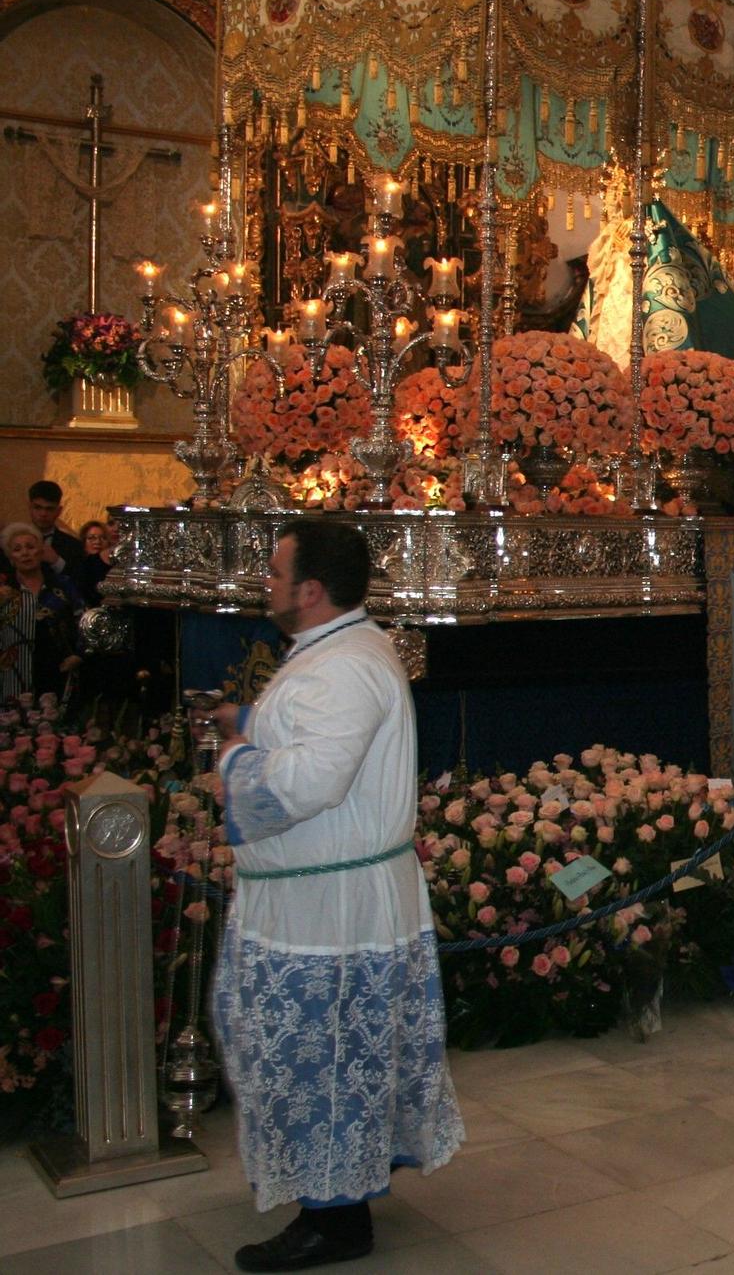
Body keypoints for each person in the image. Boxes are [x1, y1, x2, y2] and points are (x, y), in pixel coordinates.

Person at [200, 519, 462, 1271]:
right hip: (321, 896)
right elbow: (317, 735)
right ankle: (336, 1187)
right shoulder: (336, 649)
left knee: (326, 1052)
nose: (266, 582)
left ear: (310, 590)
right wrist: (251, 721)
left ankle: (335, 1219)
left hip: (330, 909)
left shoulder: (342, 665)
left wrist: (235, 757)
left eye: (275, 570)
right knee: (325, 1052)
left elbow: (314, 779)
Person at [1, 522, 84, 698]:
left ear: (41, 552)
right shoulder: (4, 592)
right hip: (12, 677)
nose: (25, 553)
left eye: (30, 547)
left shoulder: (63, 585)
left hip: (60, 671)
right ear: (10, 559)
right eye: (17, 549)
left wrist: (78, 654)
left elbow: (83, 621)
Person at [26, 480, 87, 581]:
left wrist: (56, 561)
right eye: (38, 507)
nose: (43, 514)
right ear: (29, 507)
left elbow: (80, 583)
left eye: (49, 509)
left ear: (59, 511)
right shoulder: (11, 542)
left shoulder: (74, 546)